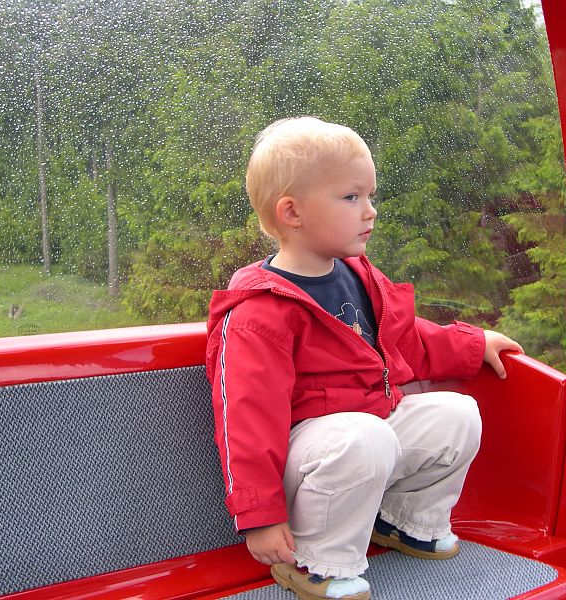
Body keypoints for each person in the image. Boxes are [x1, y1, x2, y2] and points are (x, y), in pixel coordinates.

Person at [205, 116, 523, 600]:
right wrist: (260, 517)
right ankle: (317, 561)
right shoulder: (259, 313)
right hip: (307, 462)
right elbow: (246, 419)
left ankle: (403, 520)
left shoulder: (358, 276)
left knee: (457, 415)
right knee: (364, 437)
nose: (370, 211)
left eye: (370, 196)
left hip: (366, 437)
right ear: (292, 212)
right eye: (352, 197)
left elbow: (405, 341)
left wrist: (473, 345)